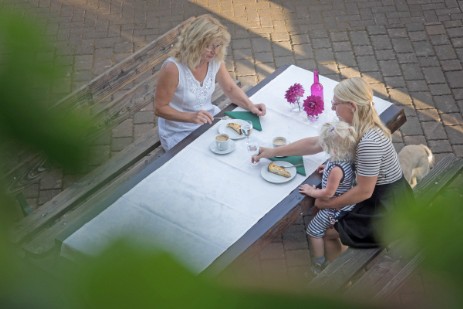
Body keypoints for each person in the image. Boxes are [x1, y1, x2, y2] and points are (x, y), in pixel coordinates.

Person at [253, 77, 414, 261]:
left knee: (327, 230)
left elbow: (364, 191)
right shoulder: (356, 124)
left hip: (385, 207)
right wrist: (273, 151)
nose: (332, 108)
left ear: (352, 106)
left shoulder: (370, 142)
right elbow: (316, 143)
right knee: (323, 213)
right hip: (379, 194)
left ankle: (336, 273)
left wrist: (328, 203)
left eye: (335, 104)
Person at [153, 14, 266, 151]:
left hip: (209, 121)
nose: (214, 51)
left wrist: (250, 106)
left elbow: (230, 88)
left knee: (241, 145)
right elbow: (160, 108)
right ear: (194, 43)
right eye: (208, 46)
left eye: (217, 45)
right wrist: (190, 117)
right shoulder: (173, 68)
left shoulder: (214, 59)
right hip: (179, 131)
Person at [299, 121, 357, 275]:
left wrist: (312, 191)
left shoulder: (336, 169)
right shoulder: (346, 158)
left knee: (313, 231)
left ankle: (319, 263)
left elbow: (328, 193)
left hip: (334, 208)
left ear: (334, 148)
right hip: (345, 202)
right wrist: (328, 170)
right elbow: (343, 175)